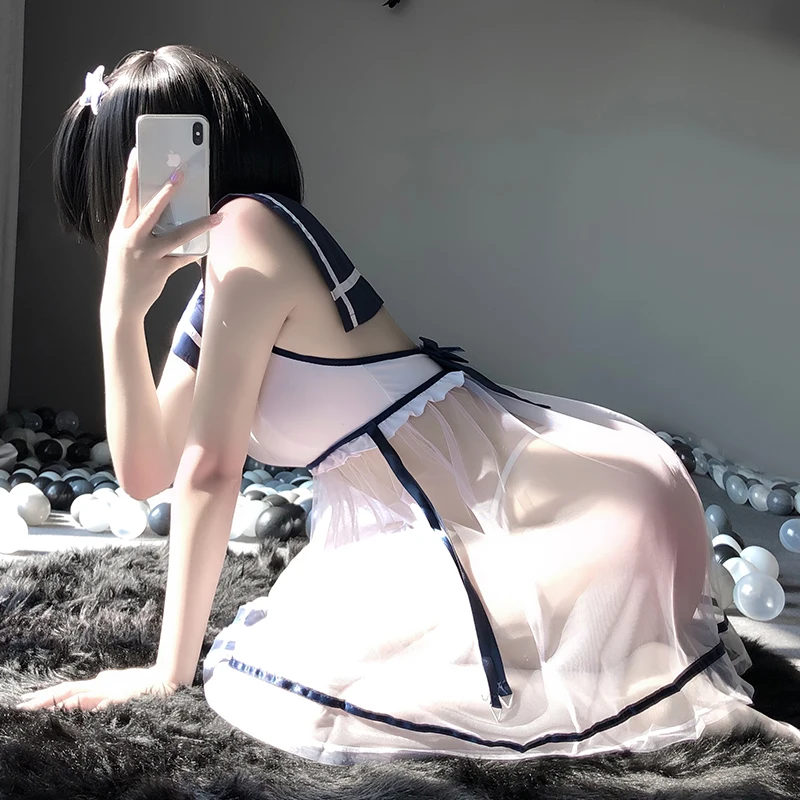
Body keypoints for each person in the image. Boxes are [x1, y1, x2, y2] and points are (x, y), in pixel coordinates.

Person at [17, 44, 799, 765]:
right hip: (487, 523)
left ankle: (664, 680)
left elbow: (210, 470)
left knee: (319, 690)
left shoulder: (248, 230)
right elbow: (147, 471)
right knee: (331, 660)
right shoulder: (216, 285)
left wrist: (167, 672)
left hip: (579, 521)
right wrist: (119, 312)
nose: (123, 205)